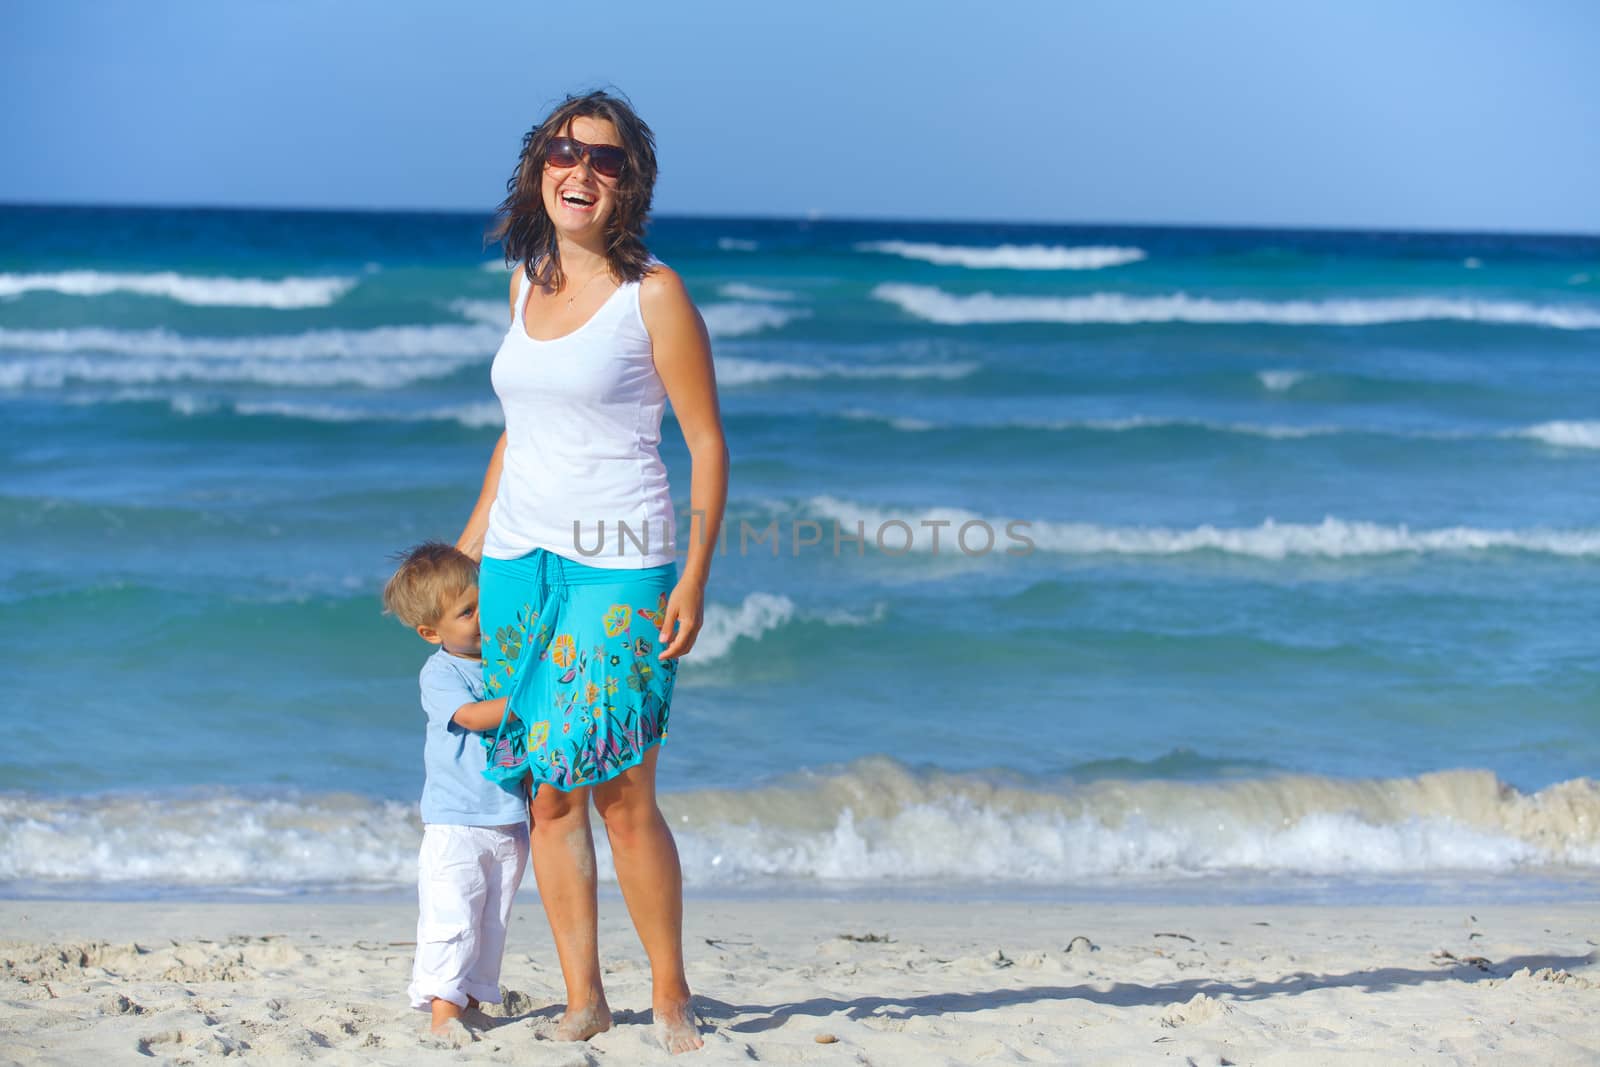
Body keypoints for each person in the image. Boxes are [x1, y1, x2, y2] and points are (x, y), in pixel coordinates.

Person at [456, 89, 728, 1056]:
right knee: (547, 793)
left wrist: (693, 578)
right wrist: (466, 547)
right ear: (540, 168)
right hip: (517, 564)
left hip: (623, 566)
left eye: (605, 159)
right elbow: (515, 436)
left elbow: (704, 440)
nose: (582, 171)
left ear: (630, 182)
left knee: (620, 792)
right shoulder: (523, 280)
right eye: (564, 152)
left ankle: (670, 993)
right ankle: (586, 997)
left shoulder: (653, 291)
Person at [382, 541, 532, 1035]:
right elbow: (472, 717)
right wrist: (533, 696)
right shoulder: (442, 673)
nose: (482, 616)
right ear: (431, 632)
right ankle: (443, 1016)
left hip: (507, 817)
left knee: (492, 922)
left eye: (483, 602)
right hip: (457, 822)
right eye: (467, 612)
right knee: (454, 918)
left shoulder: (503, 663)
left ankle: (470, 999)